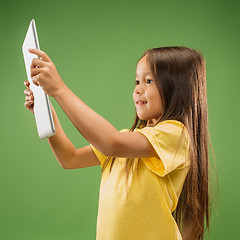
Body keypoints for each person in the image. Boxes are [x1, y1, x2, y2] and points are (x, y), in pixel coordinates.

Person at [24, 46, 214, 240]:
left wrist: (59, 89)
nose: (138, 89)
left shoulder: (176, 135)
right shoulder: (127, 141)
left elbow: (111, 142)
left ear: (176, 88)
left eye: (149, 81)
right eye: (137, 81)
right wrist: (48, 113)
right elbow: (69, 158)